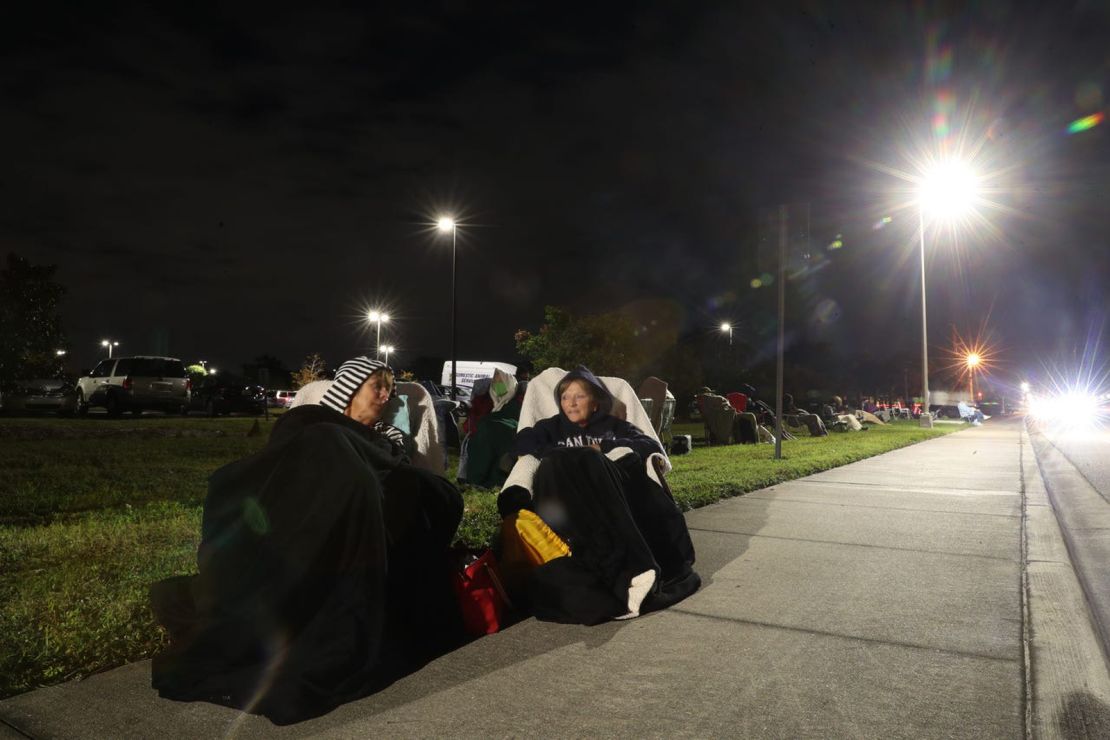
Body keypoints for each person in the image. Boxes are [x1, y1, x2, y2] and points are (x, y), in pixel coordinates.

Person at [150, 357, 464, 724]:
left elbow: (412, 487)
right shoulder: (310, 425)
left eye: (391, 391)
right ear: (349, 388)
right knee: (328, 445)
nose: (386, 396)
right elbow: (278, 476)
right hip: (304, 518)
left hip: (358, 526)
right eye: (377, 386)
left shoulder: (390, 441)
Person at [498, 366, 700, 625]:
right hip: (566, 497)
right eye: (565, 397)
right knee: (564, 462)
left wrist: (604, 447)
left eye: (579, 396)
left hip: (607, 492)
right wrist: (562, 453)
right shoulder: (549, 428)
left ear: (595, 402)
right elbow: (521, 446)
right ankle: (626, 573)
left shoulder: (613, 427)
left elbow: (649, 446)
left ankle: (633, 571)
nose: (570, 403)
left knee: (601, 462)